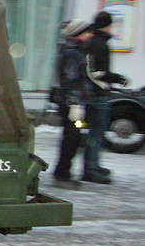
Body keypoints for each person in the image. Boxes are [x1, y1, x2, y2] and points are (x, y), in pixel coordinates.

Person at [53, 20, 108, 186]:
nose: (90, 35)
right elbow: (69, 80)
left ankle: (63, 173)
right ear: (77, 33)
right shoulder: (72, 53)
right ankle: (62, 175)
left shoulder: (78, 51)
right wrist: (74, 103)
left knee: (74, 138)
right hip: (72, 106)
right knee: (71, 139)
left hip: (76, 104)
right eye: (87, 32)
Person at [84, 11, 128, 179]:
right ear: (107, 26)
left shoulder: (93, 41)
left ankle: (93, 165)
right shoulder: (99, 44)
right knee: (96, 132)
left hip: (94, 92)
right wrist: (118, 79)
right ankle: (91, 169)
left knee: (96, 132)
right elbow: (97, 72)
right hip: (98, 93)